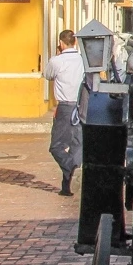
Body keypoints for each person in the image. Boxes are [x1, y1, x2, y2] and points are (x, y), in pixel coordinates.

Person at [42, 29, 85, 195]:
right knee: (77, 144)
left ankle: (69, 165)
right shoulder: (83, 60)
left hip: (66, 107)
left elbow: (47, 75)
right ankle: (66, 184)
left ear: (61, 43)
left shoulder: (57, 61)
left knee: (57, 146)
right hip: (82, 106)